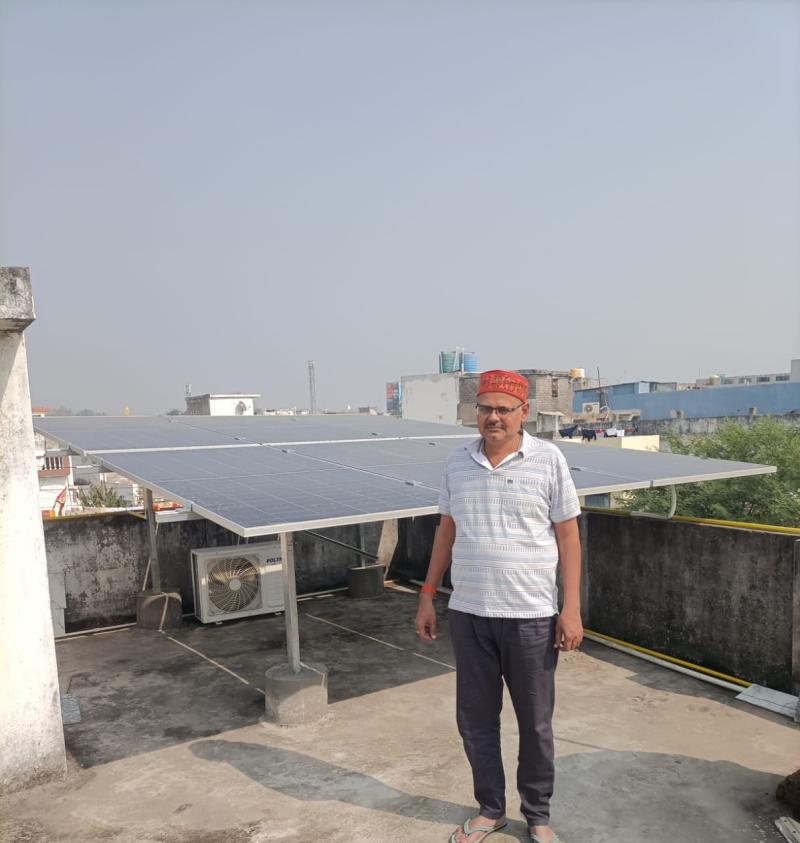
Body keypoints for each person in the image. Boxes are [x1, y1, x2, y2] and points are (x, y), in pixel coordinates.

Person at [415, 369, 583, 843]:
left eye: (503, 410)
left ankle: (538, 815)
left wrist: (571, 608)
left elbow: (569, 537)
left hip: (531, 617)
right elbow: (446, 531)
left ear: (523, 412)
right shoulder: (457, 461)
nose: (493, 417)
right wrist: (427, 596)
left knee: (535, 724)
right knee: (475, 720)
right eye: (485, 408)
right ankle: (490, 809)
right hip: (469, 613)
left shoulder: (548, 459)